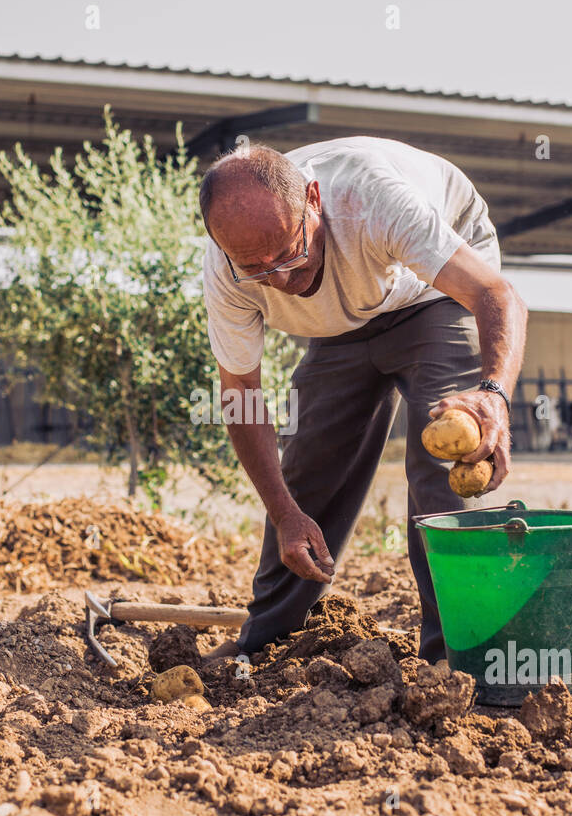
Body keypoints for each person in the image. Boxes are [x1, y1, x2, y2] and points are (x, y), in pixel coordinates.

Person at [199, 135, 527, 664]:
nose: (279, 279)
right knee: (307, 471)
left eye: (287, 253)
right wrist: (284, 511)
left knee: (444, 467)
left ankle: (458, 657)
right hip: (345, 315)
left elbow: (496, 294)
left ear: (313, 199)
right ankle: (269, 643)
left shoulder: (373, 201)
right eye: (255, 267)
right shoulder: (226, 268)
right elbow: (240, 396)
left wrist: (492, 394)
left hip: (434, 293)